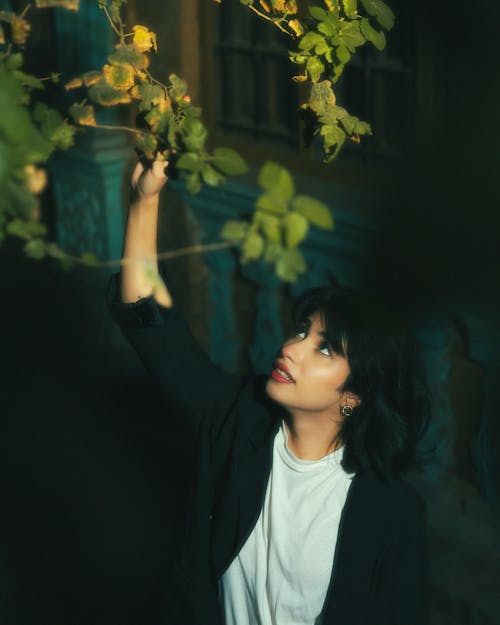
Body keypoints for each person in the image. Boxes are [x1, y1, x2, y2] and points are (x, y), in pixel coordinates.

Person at [107, 157, 431, 625]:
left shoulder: (391, 511)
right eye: (302, 332)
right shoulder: (237, 420)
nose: (292, 349)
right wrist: (145, 200)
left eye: (324, 350)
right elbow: (149, 322)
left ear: (355, 396)